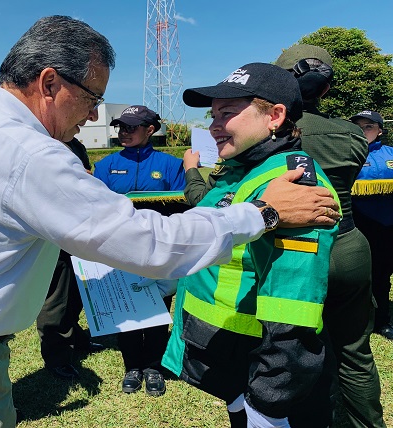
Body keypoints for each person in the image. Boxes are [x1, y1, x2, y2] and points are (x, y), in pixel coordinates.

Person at [0, 16, 340, 428]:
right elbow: (151, 246)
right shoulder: (28, 153)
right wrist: (265, 212)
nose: (95, 115)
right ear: (48, 82)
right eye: (92, 97)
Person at [163, 62, 339, 427]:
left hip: (261, 370)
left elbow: (292, 308)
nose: (213, 125)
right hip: (230, 359)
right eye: (212, 114)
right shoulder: (240, 168)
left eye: (227, 113)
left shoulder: (294, 187)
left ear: (275, 117)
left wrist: (270, 402)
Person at [275, 45, 386, 428]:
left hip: (295, 251)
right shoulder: (352, 134)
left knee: (297, 349)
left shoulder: (269, 133)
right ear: (325, 89)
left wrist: (192, 171)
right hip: (349, 243)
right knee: (355, 352)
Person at [94, 105, 185, 397]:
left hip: (159, 250)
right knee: (127, 309)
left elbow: (184, 208)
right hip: (120, 250)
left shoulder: (171, 166)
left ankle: (153, 366)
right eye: (121, 127)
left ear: (150, 129)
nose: (124, 132)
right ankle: (132, 365)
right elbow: (94, 207)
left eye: (131, 127)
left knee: (159, 308)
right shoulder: (105, 166)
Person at [36, 136, 105, 380]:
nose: (90, 116)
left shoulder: (75, 145)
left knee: (77, 294)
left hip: (78, 229)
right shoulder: (39, 142)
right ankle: (57, 356)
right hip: (53, 233)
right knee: (57, 299)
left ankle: (77, 338)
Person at [350, 110, 393, 342]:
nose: (362, 130)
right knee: (354, 276)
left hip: (387, 226)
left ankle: (382, 320)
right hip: (356, 224)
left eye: (368, 126)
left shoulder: (391, 154)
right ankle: (354, 320)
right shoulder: (345, 154)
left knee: (381, 275)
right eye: (358, 126)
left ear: (380, 130)